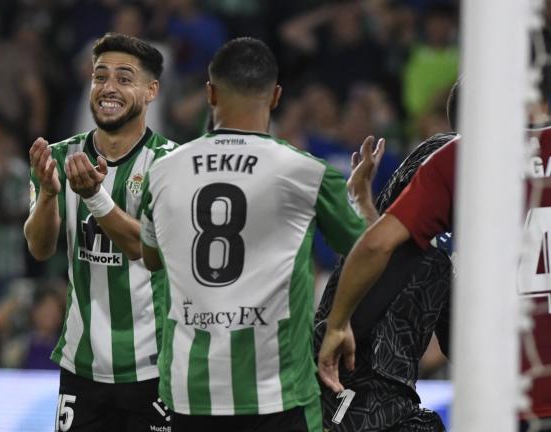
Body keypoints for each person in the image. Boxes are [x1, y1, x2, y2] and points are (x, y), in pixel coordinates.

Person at [139, 37, 383, 432]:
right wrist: (338, 322)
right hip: (279, 392)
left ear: (210, 93)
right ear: (275, 97)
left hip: (189, 392)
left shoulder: (162, 171)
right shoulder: (305, 172)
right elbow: (372, 249)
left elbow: (150, 258)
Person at [317, 82, 551, 431]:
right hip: (382, 391)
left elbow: (384, 248)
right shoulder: (457, 163)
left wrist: (335, 326)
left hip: (378, 391)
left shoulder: (451, 164)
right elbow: (403, 255)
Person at [24, 33, 177, 432]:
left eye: (125, 79)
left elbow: (148, 248)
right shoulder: (58, 156)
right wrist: (47, 196)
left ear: (151, 91)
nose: (108, 88)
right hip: (82, 366)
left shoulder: (172, 164)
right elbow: (40, 249)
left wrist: (95, 197)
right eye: (99, 76)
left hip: (154, 368)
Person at [313, 85, 458, 430]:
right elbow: (385, 249)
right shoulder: (445, 157)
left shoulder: (444, 253)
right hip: (363, 385)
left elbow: (396, 245)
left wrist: (365, 207)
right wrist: (338, 325)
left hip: (383, 389)